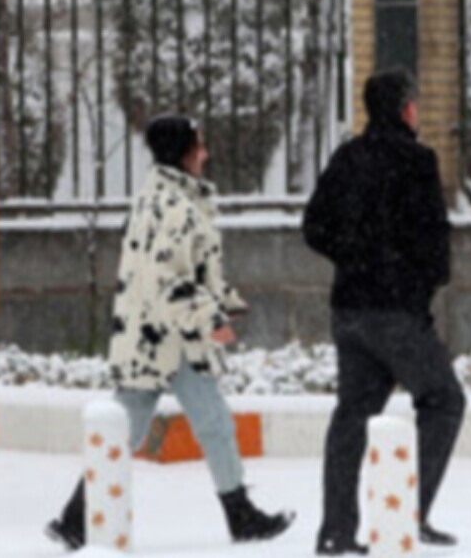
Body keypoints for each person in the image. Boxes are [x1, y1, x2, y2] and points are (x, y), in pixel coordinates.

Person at [47, 115, 293, 548]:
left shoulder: (160, 197)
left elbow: (182, 271)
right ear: (183, 154)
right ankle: (240, 517)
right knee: (212, 424)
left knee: (126, 431)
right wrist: (210, 319)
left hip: (148, 337)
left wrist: (225, 301)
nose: (206, 154)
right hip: (173, 340)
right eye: (199, 147)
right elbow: (170, 281)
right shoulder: (175, 207)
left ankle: (75, 518)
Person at [303, 70, 465, 555]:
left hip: (349, 308)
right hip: (396, 310)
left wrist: (353, 257)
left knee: (352, 414)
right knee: (443, 400)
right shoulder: (416, 161)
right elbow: (435, 242)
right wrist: (417, 284)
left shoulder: (347, 157)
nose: (418, 111)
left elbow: (313, 227)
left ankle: (336, 530)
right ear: (404, 108)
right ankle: (407, 513)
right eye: (415, 103)